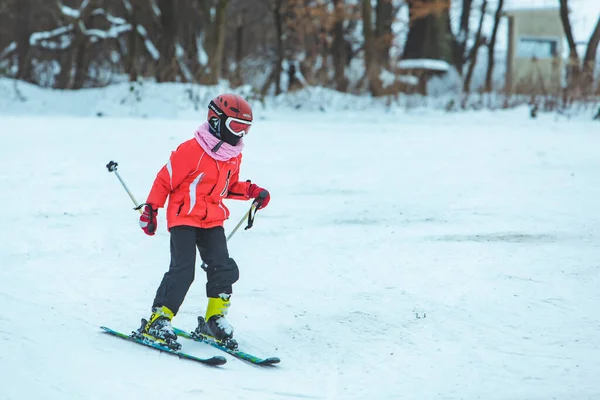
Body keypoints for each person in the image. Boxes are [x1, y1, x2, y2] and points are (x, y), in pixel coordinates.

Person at [136, 93, 270, 350]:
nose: (240, 135)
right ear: (217, 121)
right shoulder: (191, 150)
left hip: (212, 220)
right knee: (183, 271)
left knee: (223, 268)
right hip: (184, 218)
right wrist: (151, 210)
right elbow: (165, 180)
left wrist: (252, 191)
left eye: (245, 129)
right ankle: (159, 319)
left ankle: (214, 319)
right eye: (236, 127)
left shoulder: (233, 155)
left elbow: (228, 187)